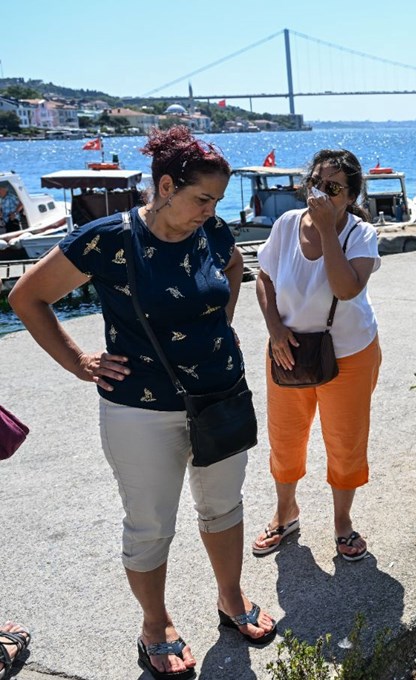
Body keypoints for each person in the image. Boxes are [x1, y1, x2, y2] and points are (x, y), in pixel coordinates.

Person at [9, 126, 276, 680]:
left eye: (217, 201)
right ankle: (155, 625)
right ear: (165, 185)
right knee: (151, 524)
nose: (210, 210)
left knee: (224, 507)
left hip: (221, 394)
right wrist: (80, 361)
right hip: (141, 409)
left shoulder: (215, 231)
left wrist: (218, 327)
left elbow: (232, 268)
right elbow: (27, 296)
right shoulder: (107, 238)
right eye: (202, 198)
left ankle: (231, 600)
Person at [252, 149, 382, 564]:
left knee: (345, 441)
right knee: (285, 438)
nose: (321, 194)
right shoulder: (286, 224)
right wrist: (274, 328)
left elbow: (346, 289)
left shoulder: (360, 234)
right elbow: (264, 278)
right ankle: (285, 511)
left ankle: (342, 523)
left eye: (333, 188)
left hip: (349, 354)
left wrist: (328, 230)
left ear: (350, 195)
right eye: (316, 184)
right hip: (287, 349)